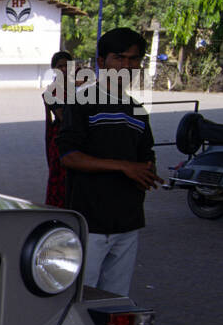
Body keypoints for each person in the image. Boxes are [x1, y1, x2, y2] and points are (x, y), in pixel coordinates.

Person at [57, 27, 160, 297]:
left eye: (133, 59)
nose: (126, 66)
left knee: (115, 298)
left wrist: (148, 171)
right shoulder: (81, 102)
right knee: (80, 295)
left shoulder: (138, 108)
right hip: (90, 221)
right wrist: (124, 167)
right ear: (101, 63)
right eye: (119, 58)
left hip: (128, 221)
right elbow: (69, 157)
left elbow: (146, 155)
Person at [41, 51, 76, 208]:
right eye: (59, 66)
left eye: (66, 65)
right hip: (62, 139)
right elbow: (64, 117)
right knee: (60, 178)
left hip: (77, 136)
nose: (63, 69)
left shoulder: (79, 88)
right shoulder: (52, 91)